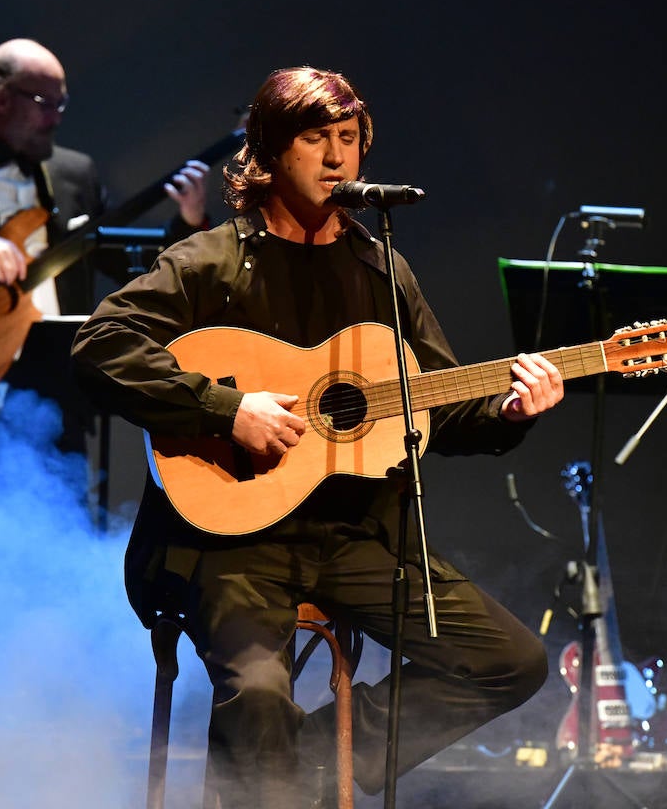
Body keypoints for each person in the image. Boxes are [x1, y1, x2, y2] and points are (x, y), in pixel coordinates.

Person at [70, 65, 566, 808]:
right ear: (268, 152)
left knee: (511, 660)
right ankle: (269, 763)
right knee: (260, 692)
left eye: (348, 139)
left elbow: (435, 404)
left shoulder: (380, 268)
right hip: (227, 545)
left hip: (353, 535)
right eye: (315, 139)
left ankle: (304, 759)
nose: (337, 158)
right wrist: (223, 409)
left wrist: (509, 412)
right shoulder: (212, 261)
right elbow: (100, 345)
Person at [0, 37, 211, 443]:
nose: (56, 117)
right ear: (2, 99)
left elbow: (125, 266)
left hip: (56, 390)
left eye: (61, 104)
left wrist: (187, 223)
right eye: (45, 103)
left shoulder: (75, 172)